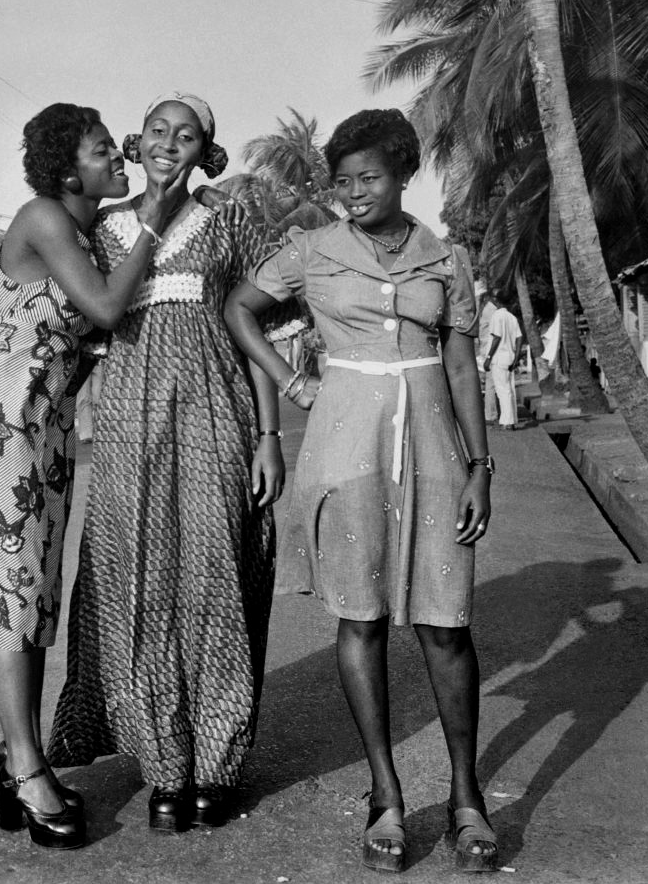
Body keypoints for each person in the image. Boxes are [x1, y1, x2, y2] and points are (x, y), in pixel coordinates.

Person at [0, 103, 191, 850]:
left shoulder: (80, 225)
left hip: (41, 423)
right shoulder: (44, 217)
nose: (120, 154)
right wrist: (156, 220)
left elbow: (123, 244)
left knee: (29, 595)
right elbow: (102, 304)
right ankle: (26, 768)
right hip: (1, 423)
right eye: (104, 149)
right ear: (70, 170)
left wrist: (177, 191)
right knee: (11, 596)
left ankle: (19, 758)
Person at [224, 109, 499, 874]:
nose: (352, 192)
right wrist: (286, 382)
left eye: (368, 177)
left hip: (435, 450)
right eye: (341, 180)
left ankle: (467, 795)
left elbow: (461, 370)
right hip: (344, 446)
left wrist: (481, 466)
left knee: (446, 623)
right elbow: (239, 307)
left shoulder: (446, 259)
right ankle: (386, 794)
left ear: (404, 172)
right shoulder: (311, 251)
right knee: (363, 617)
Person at [47, 92, 284, 833]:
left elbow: (253, 329)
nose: (168, 144)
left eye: (186, 135)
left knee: (212, 576)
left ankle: (214, 763)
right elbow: (71, 320)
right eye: (157, 131)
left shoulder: (228, 219)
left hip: (217, 417)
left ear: (204, 149)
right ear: (136, 140)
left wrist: (270, 435)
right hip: (124, 423)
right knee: (137, 583)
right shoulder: (104, 229)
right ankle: (163, 766)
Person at [483, 293, 523, 431]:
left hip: (499, 358)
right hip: (510, 357)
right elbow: (519, 339)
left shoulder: (497, 316)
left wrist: (488, 358)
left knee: (502, 391)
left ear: (497, 302)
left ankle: (507, 422)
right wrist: (516, 358)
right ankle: (511, 420)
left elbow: (497, 337)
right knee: (509, 389)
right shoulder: (512, 317)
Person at [477, 292, 499, 425]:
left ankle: (490, 413)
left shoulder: (484, 310)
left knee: (488, 383)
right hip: (490, 350)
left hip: (485, 349)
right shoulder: (491, 310)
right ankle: (490, 414)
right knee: (491, 384)